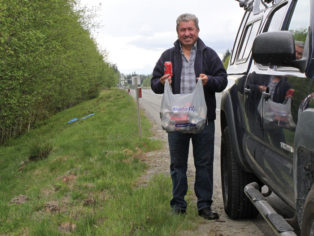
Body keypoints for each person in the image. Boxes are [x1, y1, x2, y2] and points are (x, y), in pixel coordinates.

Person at [151, 13, 227, 220]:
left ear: (197, 31)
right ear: (177, 32)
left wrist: (208, 80)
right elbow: (154, 83)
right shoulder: (168, 56)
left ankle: (204, 206)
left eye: (190, 29)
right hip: (176, 120)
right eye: (183, 30)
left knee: (204, 163)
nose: (187, 33)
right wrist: (161, 82)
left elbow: (222, 80)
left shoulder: (208, 54)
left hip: (202, 119)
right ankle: (178, 205)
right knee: (178, 165)